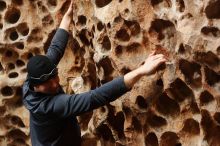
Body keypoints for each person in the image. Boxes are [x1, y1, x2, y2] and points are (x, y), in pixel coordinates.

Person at [22, 1, 167, 146]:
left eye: (55, 75)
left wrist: (67, 18)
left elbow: (55, 48)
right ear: (36, 86)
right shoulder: (50, 106)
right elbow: (94, 98)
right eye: (47, 83)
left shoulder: (35, 76)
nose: (55, 83)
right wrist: (141, 71)